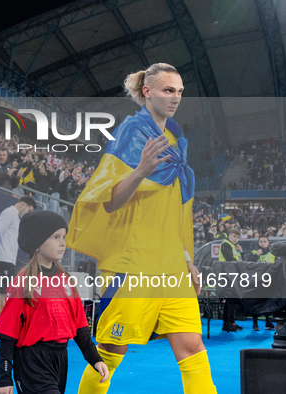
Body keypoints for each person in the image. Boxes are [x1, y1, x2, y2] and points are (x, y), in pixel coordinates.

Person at [68, 63, 216, 393]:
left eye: (179, 91)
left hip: (172, 267)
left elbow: (172, 215)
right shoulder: (130, 133)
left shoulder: (176, 142)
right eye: (168, 90)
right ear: (147, 92)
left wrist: (188, 260)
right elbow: (109, 201)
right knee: (108, 352)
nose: (175, 97)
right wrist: (141, 171)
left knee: (192, 348)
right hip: (131, 266)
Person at [0, 210, 108, 394]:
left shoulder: (67, 282)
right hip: (32, 360)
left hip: (60, 359)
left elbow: (81, 329)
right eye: (55, 237)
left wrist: (96, 359)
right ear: (37, 244)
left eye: (63, 236)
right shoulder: (24, 282)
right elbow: (8, 334)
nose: (63, 243)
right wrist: (4, 377)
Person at [0, 196, 36, 348]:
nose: (28, 214)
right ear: (22, 205)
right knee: (3, 302)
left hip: (8, 263)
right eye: (28, 210)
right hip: (1, 262)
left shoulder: (17, 219)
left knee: (5, 301)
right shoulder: (9, 213)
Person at [219, 228, 244, 332]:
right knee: (229, 301)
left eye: (238, 237)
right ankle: (227, 324)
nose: (236, 239)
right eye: (234, 236)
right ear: (229, 235)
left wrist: (241, 252)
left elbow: (240, 260)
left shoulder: (235, 247)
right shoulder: (225, 244)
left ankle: (232, 322)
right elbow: (230, 259)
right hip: (226, 275)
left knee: (232, 300)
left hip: (233, 275)